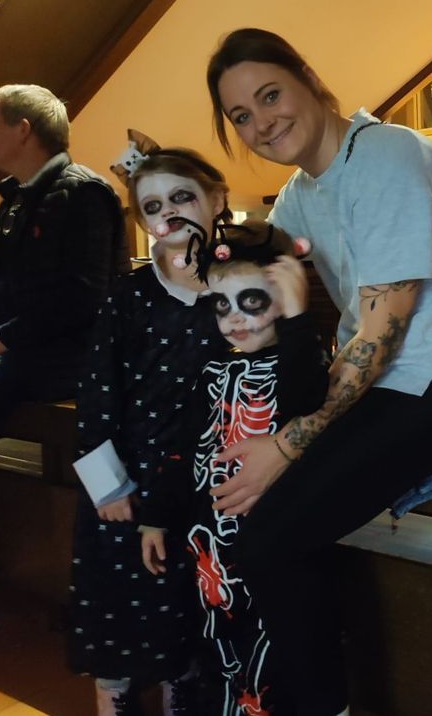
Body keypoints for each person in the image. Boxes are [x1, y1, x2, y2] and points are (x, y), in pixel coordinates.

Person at [205, 28, 432, 715]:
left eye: (269, 95)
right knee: (252, 506)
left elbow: (381, 334)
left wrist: (288, 444)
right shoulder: (299, 196)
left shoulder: (387, 157)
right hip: (385, 384)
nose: (261, 123)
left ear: (308, 78)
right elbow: (262, 284)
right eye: (241, 116)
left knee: (270, 537)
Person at [67, 140, 231, 716]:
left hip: (209, 479)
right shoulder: (129, 295)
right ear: (143, 222)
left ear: (216, 199)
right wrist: (107, 484)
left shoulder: (241, 286)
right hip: (129, 482)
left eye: (183, 197)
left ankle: (181, 697)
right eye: (154, 206)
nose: (171, 213)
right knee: (121, 612)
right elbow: (97, 392)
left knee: (187, 614)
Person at [141, 219, 328, 715]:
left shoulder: (299, 363)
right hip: (209, 548)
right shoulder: (211, 370)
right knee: (217, 652)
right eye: (224, 305)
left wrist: (296, 320)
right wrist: (157, 514)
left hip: (269, 546)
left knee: (272, 660)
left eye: (254, 302)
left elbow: (308, 398)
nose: (235, 319)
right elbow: (182, 450)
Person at [0, 84, 128, 421]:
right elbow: (3, 290)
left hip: (66, 358)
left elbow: (81, 300)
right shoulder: (17, 200)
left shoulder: (83, 192)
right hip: (17, 348)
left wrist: (0, 339)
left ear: (23, 130)